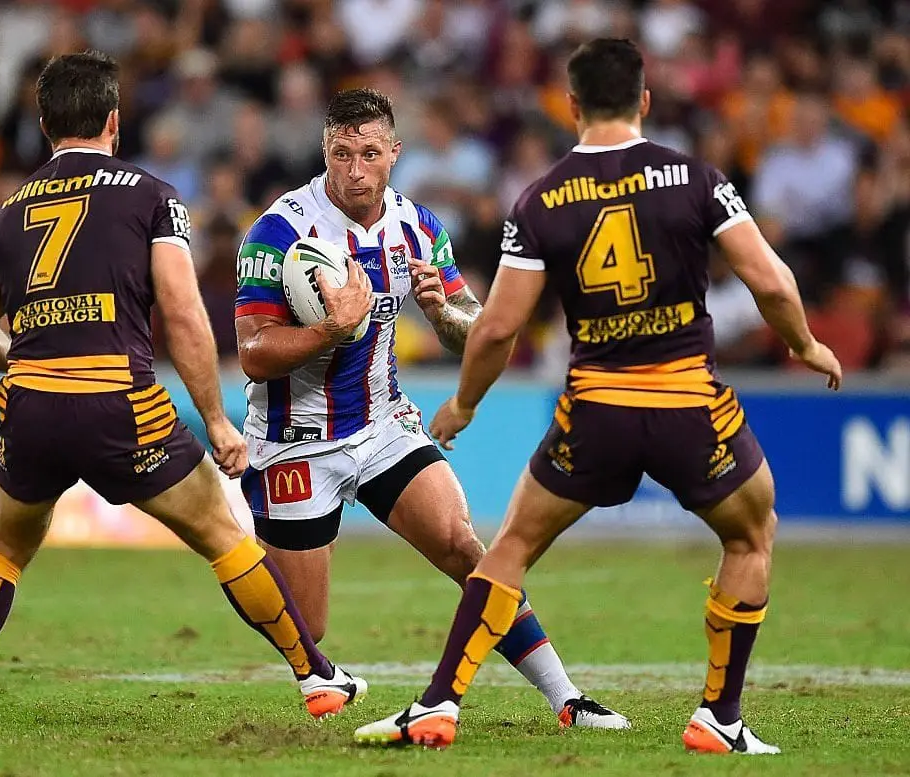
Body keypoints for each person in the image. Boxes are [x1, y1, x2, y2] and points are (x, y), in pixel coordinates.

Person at [355, 38, 842, 753]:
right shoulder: (696, 178)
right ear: (644, 99)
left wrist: (464, 403)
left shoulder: (542, 198)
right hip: (688, 405)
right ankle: (719, 716)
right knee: (750, 533)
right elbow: (769, 280)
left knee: (511, 546)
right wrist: (805, 344)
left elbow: (498, 326)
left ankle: (438, 703)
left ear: (572, 104)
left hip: (595, 411)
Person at [0, 51, 365, 737]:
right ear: (114, 120)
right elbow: (183, 313)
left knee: (5, 547)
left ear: (44, 123)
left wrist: (30, 359)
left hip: (31, 404)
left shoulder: (5, 213)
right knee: (221, 533)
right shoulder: (151, 195)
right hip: (119, 402)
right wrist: (216, 419)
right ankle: (316, 675)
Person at [234, 88, 628, 730]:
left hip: (382, 424)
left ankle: (567, 699)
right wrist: (331, 331)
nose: (355, 170)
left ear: (395, 152)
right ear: (324, 152)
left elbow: (474, 328)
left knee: (464, 547)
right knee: (306, 624)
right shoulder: (277, 232)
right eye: (341, 154)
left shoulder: (417, 227)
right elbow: (253, 353)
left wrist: (443, 313)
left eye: (369, 153)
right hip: (294, 437)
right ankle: (306, 651)